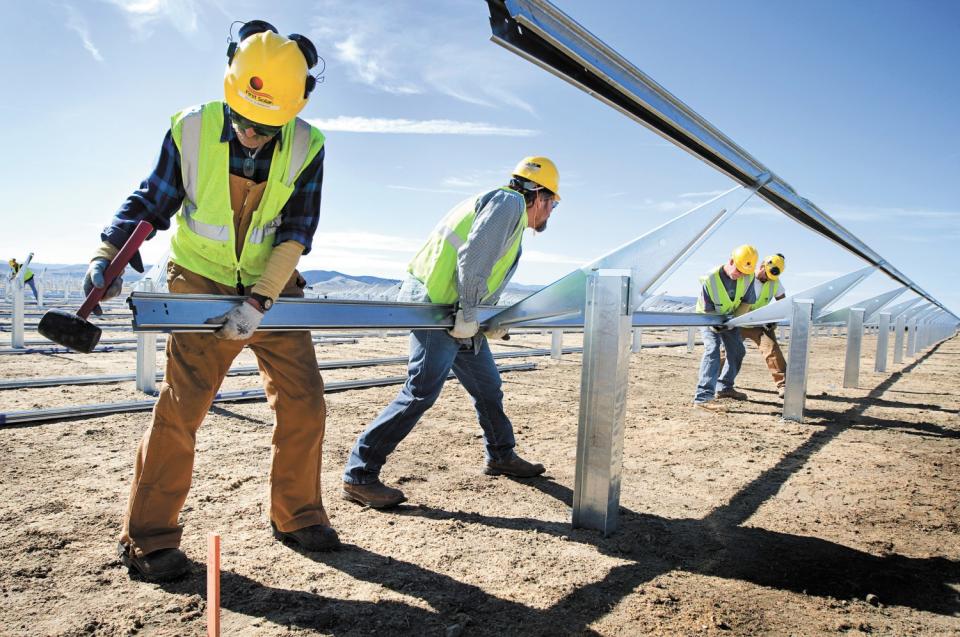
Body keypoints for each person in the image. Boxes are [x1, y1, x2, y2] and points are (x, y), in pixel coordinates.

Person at [83, 20, 336, 582]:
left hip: (274, 286)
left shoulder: (308, 144)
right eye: (245, 120)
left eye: (268, 125)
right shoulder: (191, 128)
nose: (253, 132)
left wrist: (261, 300)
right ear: (230, 90)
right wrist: (108, 253)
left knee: (306, 402)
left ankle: (297, 516)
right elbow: (152, 202)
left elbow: (297, 230)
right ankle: (148, 539)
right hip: (200, 281)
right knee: (182, 408)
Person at [341, 157, 561, 508]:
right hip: (437, 308)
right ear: (541, 196)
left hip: (457, 310)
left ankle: (501, 455)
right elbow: (473, 260)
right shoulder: (509, 203)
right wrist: (471, 314)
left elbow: (482, 267)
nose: (551, 213)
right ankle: (360, 474)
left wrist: (487, 317)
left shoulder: (507, 210)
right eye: (554, 204)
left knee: (488, 386)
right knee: (420, 392)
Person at [692, 244, 758, 410]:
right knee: (712, 349)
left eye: (745, 272)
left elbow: (747, 302)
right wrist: (716, 326)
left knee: (737, 351)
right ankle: (703, 398)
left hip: (729, 317)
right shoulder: (710, 278)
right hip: (708, 317)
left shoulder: (748, 277)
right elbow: (708, 308)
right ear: (730, 261)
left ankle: (725, 387)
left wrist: (733, 321)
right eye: (738, 270)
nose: (741, 275)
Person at [740, 254, 788, 398]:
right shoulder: (745, 277)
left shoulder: (775, 281)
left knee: (773, 351)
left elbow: (782, 303)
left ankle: (784, 386)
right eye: (765, 275)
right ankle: (717, 382)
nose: (767, 279)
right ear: (761, 267)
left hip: (759, 324)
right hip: (739, 321)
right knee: (725, 352)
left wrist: (774, 320)